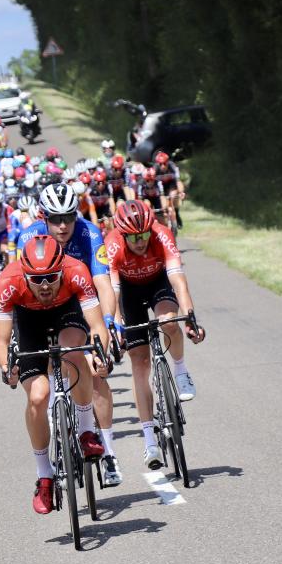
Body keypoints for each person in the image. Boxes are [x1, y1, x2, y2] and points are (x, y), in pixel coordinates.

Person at [0, 234, 111, 514]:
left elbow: (95, 327)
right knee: (38, 396)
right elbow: (0, 341)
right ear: (25, 274)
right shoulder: (7, 282)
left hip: (66, 311)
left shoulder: (76, 272)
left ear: (62, 269)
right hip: (28, 321)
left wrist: (99, 355)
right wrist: (6, 368)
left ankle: (85, 432)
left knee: (73, 352)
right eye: (36, 279)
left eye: (51, 277)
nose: (44, 286)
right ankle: (44, 475)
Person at [17, 182, 124, 486]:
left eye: (68, 217)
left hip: (81, 303)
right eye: (55, 218)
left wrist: (107, 322)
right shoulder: (27, 238)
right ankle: (56, 425)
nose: (63, 226)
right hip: (38, 307)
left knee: (96, 371)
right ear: (44, 217)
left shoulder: (90, 233)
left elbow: (102, 282)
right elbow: (20, 285)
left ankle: (108, 454)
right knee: (48, 371)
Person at [106, 200, 206, 469]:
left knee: (169, 322)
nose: (140, 242)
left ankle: (181, 371)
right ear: (123, 235)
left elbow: (178, 281)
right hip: (128, 291)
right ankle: (150, 441)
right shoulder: (113, 244)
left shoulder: (162, 234)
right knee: (139, 363)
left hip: (157, 283)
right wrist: (116, 328)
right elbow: (112, 294)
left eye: (144, 235)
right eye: (134, 237)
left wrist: (191, 316)